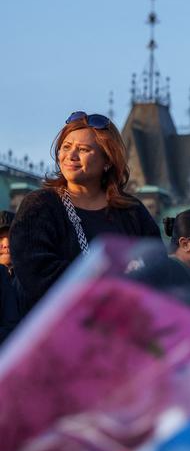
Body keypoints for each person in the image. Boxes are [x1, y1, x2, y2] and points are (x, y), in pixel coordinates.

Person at [10, 111, 161, 310]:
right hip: (62, 322)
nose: (71, 156)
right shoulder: (39, 205)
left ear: (108, 161)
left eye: (83, 149)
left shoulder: (131, 210)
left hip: (125, 321)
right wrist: (108, 281)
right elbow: (36, 272)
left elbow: (158, 268)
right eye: (66, 147)